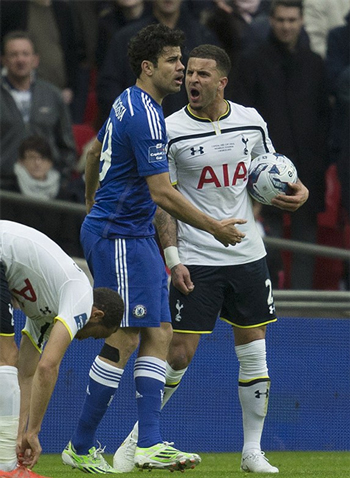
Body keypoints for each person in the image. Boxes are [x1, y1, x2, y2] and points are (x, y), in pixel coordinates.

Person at [112, 44, 309, 474]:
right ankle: (138, 440)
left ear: (222, 81)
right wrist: (173, 257)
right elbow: (163, 202)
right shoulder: (171, 129)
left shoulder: (251, 121)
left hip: (247, 254)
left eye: (203, 74)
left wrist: (299, 190)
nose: (192, 80)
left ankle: (252, 451)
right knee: (179, 353)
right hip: (196, 259)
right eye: (189, 73)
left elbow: (271, 172)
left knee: (254, 350)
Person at [61, 23, 245, 474]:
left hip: (130, 232)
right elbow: (163, 193)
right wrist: (214, 227)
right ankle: (82, 445)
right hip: (121, 235)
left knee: (160, 332)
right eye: (172, 61)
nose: (181, 69)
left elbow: (92, 155)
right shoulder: (146, 116)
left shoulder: (129, 101)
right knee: (125, 334)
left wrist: (91, 206)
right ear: (148, 67)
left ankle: (149, 441)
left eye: (182, 61)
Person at [0, 220, 124, 473]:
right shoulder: (80, 299)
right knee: (5, 356)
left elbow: (26, 373)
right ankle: (5, 466)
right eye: (94, 336)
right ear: (97, 315)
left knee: (10, 362)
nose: (83, 339)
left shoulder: (47, 311)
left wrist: (20, 433)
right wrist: (34, 432)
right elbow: (48, 367)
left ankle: (6, 459)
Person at [231, 0, 330, 289]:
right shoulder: (251, 62)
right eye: (281, 20)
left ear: (301, 22)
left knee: (305, 246)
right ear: (271, 21)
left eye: (292, 20)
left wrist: (320, 158)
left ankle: (303, 310)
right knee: (265, 246)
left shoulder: (315, 64)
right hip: (261, 173)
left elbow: (324, 115)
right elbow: (241, 117)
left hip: (307, 169)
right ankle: (266, 298)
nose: (286, 26)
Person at [96, 0, 220, 125]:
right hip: (139, 130)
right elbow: (108, 89)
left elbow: (216, 87)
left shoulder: (203, 37)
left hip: (193, 131)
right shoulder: (126, 39)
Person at [0, 31, 76, 190]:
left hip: (48, 189)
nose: (20, 60)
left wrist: (61, 180)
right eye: (14, 55)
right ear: (4, 60)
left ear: (35, 60)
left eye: (25, 54)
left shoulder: (53, 95)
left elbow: (67, 145)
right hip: (4, 187)